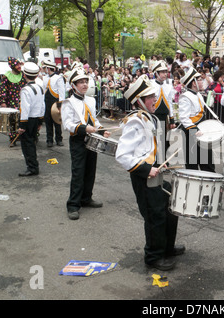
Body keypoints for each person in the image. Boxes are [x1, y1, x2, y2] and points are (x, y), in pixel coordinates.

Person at [115, 74, 182, 271]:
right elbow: (123, 155)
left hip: (155, 172)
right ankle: (153, 257)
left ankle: (167, 247)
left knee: (171, 208)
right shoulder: (135, 121)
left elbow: (147, 148)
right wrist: (147, 169)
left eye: (154, 96)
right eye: (150, 97)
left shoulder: (147, 118)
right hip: (144, 177)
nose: (155, 99)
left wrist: (161, 164)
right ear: (139, 101)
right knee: (155, 215)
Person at [61, 68, 110, 220]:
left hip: (92, 139)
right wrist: (84, 128)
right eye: (81, 82)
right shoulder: (68, 103)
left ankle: (86, 198)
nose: (84, 85)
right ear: (73, 85)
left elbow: (94, 120)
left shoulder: (91, 100)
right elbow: (67, 124)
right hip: (77, 140)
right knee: (78, 172)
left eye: (86, 81)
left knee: (90, 170)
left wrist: (102, 130)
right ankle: (73, 205)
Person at [178, 67, 215, 172]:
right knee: (192, 160)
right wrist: (195, 130)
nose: (202, 81)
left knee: (206, 158)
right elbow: (184, 118)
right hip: (191, 132)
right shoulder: (185, 97)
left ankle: (211, 178)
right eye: (199, 80)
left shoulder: (198, 94)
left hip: (201, 128)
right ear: (193, 83)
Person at [18, 62, 45, 177]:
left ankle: (32, 167)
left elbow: (25, 108)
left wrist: (22, 126)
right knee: (32, 143)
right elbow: (42, 105)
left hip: (28, 120)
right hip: (36, 118)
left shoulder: (25, 90)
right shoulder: (39, 87)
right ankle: (34, 166)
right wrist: (40, 121)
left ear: (24, 75)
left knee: (27, 144)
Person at [0, 57, 26, 145]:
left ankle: (24, 137)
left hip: (23, 102)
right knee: (13, 120)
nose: (19, 66)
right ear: (12, 66)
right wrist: (3, 101)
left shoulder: (23, 75)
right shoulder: (7, 76)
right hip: (11, 102)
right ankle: (13, 138)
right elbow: (2, 89)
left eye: (19, 64)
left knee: (24, 119)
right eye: (17, 65)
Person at [151, 60, 176, 158]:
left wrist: (172, 118)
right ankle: (154, 160)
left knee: (164, 139)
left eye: (166, 72)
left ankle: (163, 160)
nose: (165, 74)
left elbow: (170, 102)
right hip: (154, 117)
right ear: (156, 73)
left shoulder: (168, 86)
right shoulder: (151, 84)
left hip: (164, 118)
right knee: (154, 138)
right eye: (162, 72)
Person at [42, 60, 65, 147]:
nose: (45, 70)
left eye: (45, 68)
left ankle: (59, 139)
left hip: (55, 102)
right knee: (48, 121)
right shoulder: (45, 78)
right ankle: (49, 140)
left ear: (48, 68)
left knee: (57, 121)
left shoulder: (58, 78)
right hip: (47, 102)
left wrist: (60, 105)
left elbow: (61, 92)